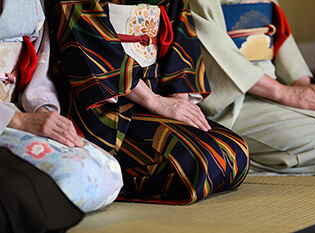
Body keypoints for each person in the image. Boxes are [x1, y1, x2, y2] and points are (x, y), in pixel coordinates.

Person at [46, 0, 250, 204]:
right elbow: (83, 32)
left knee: (235, 150)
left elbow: (180, 30)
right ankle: (103, 172)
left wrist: (179, 98)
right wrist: (153, 101)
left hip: (157, 88)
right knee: (196, 161)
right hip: (104, 103)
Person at [0, 0, 123, 232]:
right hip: (6, 117)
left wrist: (42, 110)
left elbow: (38, 60)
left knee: (105, 171)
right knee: (28, 191)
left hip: (19, 107)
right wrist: (16, 120)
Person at [188, 0, 315, 175]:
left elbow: (276, 25)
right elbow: (209, 44)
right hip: (233, 100)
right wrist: (281, 92)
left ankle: (238, 160)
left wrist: (301, 83)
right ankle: (228, 160)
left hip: (272, 85)